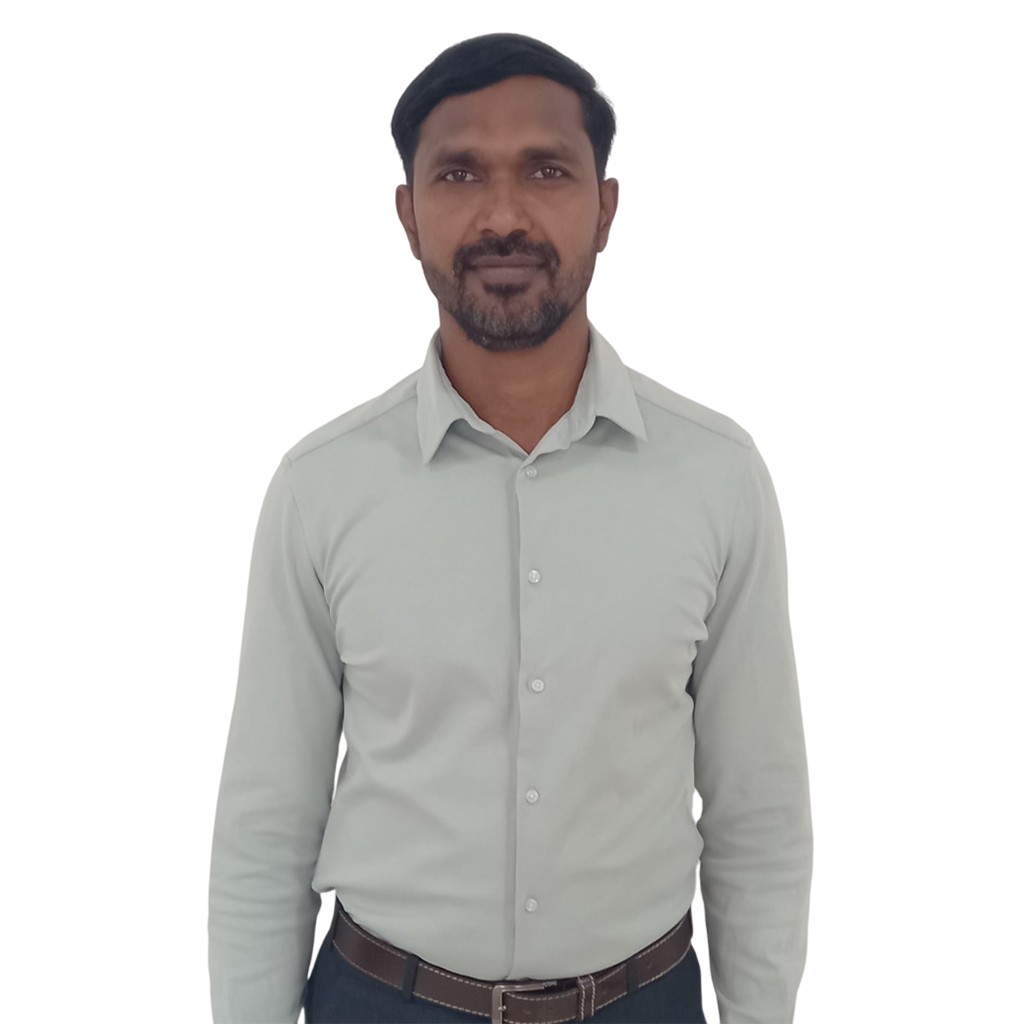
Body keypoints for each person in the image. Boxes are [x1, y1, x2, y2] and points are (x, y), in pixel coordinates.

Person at [208, 31, 813, 1024]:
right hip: (381, 1001)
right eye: (458, 174)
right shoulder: (322, 489)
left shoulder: (717, 478)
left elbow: (759, 808)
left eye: (545, 170)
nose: (501, 216)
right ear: (408, 215)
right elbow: (267, 821)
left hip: (642, 1002)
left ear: (604, 208)